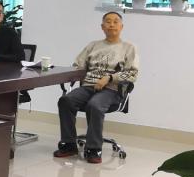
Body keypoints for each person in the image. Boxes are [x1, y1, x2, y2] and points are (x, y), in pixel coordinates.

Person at [55, 11, 139, 164]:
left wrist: (109, 78)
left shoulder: (128, 48)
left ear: (121, 26)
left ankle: (93, 148)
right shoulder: (93, 45)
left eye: (115, 22)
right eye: (108, 21)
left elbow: (132, 74)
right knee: (66, 101)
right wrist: (68, 74)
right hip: (88, 87)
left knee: (94, 105)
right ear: (102, 26)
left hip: (112, 90)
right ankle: (69, 144)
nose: (111, 24)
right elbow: (78, 66)